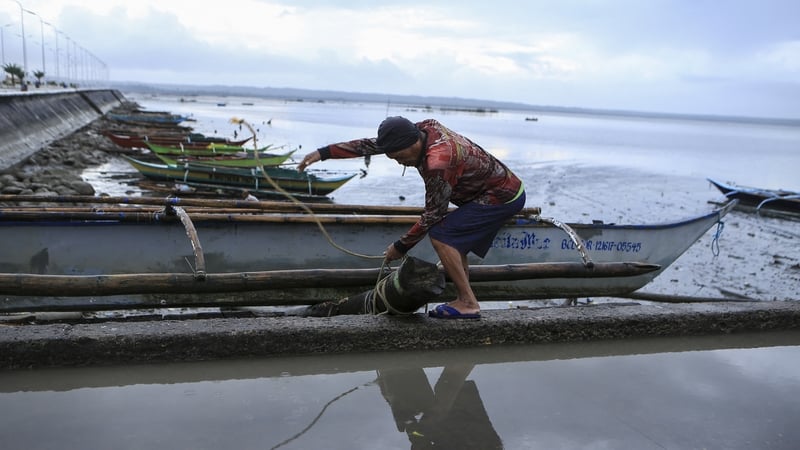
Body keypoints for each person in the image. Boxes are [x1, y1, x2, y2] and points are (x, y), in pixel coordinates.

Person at [298, 116, 525, 319]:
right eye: (393, 158)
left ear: (412, 144)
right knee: (453, 239)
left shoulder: (438, 162)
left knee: (442, 235)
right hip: (490, 192)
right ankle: (463, 299)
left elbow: (433, 214)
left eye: (399, 157)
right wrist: (323, 153)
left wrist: (400, 246)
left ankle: (468, 303)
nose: (399, 162)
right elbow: (368, 145)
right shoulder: (421, 130)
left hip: (502, 196)